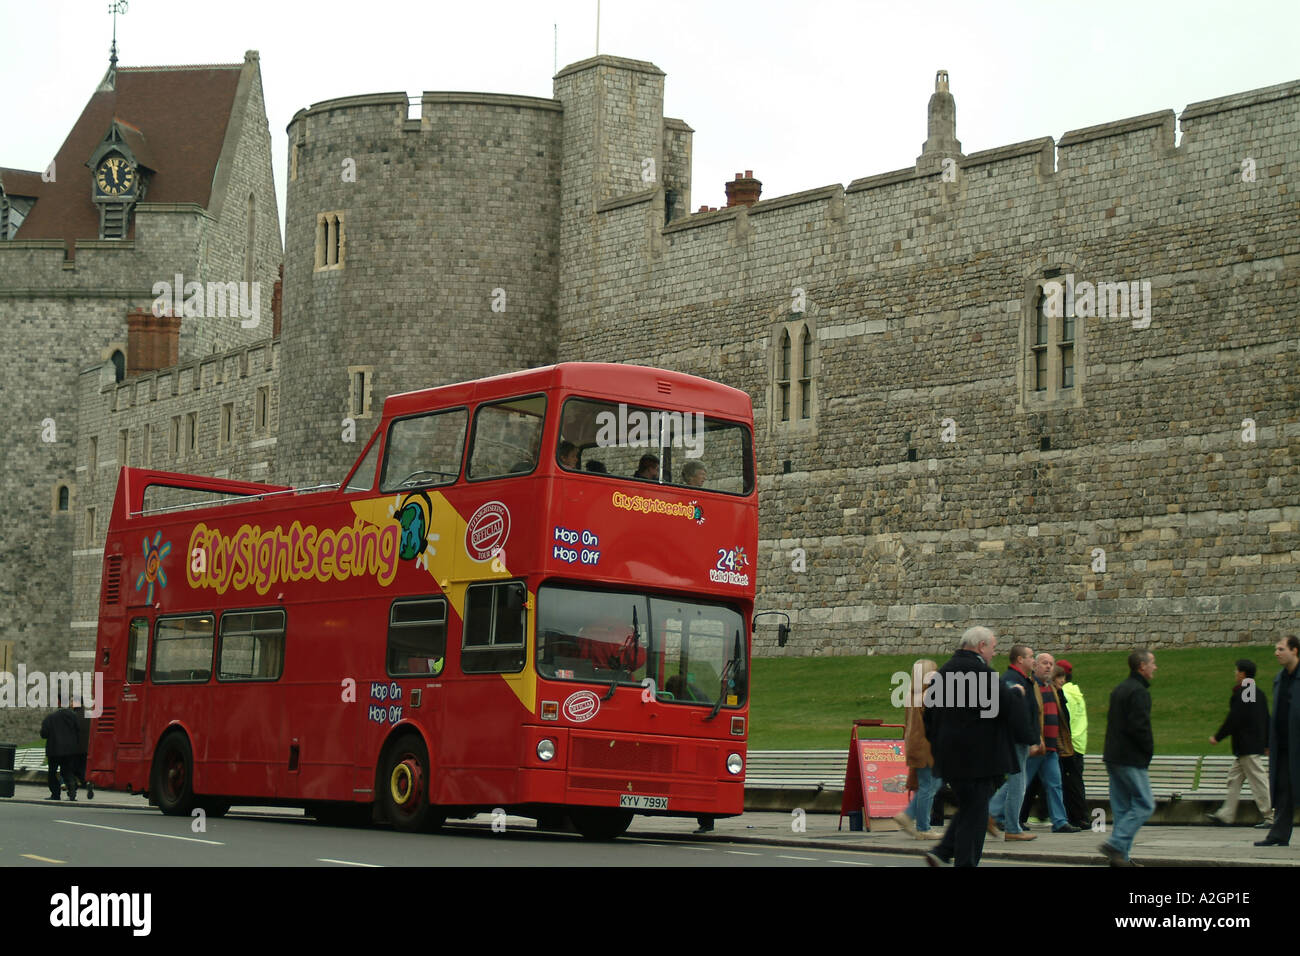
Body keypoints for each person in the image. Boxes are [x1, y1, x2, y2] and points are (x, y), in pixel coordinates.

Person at [922, 626, 1021, 867]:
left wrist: (938, 745)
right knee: (974, 813)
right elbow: (1005, 707)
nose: (994, 653)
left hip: (949, 757)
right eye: (993, 648)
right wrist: (1015, 693)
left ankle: (943, 851)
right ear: (981, 646)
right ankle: (957, 859)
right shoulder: (980, 672)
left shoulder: (943, 672)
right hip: (977, 759)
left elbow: (928, 715)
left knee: (971, 807)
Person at [1100, 648, 1158, 866]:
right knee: (1145, 805)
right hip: (1131, 758)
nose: (1155, 667)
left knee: (1123, 809)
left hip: (1113, 756)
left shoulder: (1120, 689)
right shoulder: (1139, 692)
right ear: (1142, 666)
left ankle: (1121, 858)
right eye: (1152, 663)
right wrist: (1147, 751)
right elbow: (1139, 727)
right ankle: (1116, 843)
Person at [1019, 652, 1081, 833]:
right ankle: (997, 813)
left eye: (1051, 664)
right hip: (1037, 746)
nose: (1048, 667)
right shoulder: (1031, 687)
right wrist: (1035, 739)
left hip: (1051, 747)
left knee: (1055, 784)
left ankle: (1060, 821)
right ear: (1035, 666)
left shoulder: (1051, 688)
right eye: (1044, 663)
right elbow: (1030, 716)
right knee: (1020, 784)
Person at [1207, 658, 1271, 828]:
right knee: (1234, 778)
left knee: (1259, 781)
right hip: (1250, 746)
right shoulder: (1258, 693)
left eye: (1236, 671)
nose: (1235, 674)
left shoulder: (1244, 693)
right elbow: (1266, 719)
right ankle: (1226, 815)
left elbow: (1234, 719)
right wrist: (1267, 743)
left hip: (1246, 746)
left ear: (1242, 673)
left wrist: (1218, 736)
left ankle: (1270, 816)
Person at [988, 644, 1038, 841]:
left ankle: (997, 816)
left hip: (1019, 738)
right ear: (1020, 659)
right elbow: (1016, 715)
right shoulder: (1012, 680)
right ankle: (1012, 828)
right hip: (1016, 739)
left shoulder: (1022, 680)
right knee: (1018, 783)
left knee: (1018, 782)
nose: (1033, 660)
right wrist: (1030, 738)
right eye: (1031, 656)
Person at [1256, 634, 1300, 848]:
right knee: (1282, 789)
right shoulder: (1279, 678)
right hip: (1283, 746)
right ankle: (1279, 834)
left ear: (1295, 651)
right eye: (1276, 649)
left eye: (1281, 649)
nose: (1276, 653)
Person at [893, 658, 943, 840]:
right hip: (926, 747)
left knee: (929, 785)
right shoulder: (929, 695)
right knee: (928, 786)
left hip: (915, 745)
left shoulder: (911, 695)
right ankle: (921, 826)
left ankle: (914, 820)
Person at [1056, 659, 1089, 828]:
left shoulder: (1064, 693)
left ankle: (1078, 817)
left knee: (1070, 783)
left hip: (1068, 743)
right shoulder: (1076, 692)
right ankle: (1079, 816)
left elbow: (1064, 720)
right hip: (1079, 742)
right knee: (1075, 781)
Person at [40, 699, 81, 802]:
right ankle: (72, 792)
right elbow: (78, 731)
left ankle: (55, 794)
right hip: (70, 750)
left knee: (52, 772)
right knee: (67, 771)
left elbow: (43, 734)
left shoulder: (50, 718)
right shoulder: (73, 716)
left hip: (54, 750)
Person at [70, 696, 94, 800]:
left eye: (71, 701)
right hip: (85, 748)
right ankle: (86, 782)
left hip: (74, 748)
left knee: (71, 770)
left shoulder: (72, 716)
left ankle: (72, 791)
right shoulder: (89, 715)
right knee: (82, 769)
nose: (70, 703)